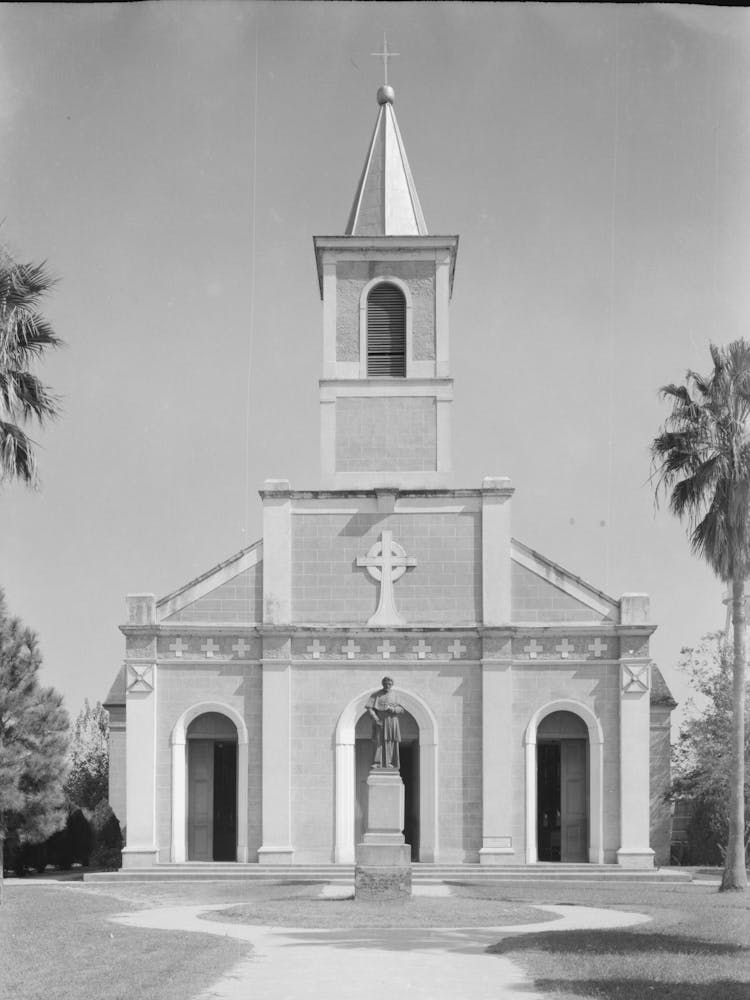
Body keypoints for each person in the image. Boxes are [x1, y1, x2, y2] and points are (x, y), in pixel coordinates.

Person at [365, 676, 404, 769]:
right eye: (385, 683)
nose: (387, 685)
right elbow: (370, 708)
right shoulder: (376, 695)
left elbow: (401, 709)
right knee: (379, 741)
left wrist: (392, 709)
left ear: (392, 685)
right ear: (382, 684)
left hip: (392, 721)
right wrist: (375, 718)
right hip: (380, 721)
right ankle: (377, 762)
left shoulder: (396, 695)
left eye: (389, 684)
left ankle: (390, 762)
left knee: (390, 741)